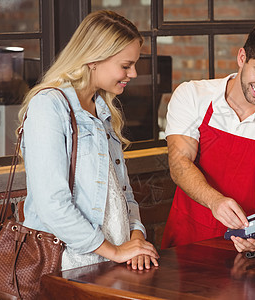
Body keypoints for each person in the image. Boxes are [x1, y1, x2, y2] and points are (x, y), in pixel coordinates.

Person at [18, 10, 159, 271]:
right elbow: (52, 204)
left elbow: (122, 192)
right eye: (126, 65)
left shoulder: (103, 109)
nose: (134, 73)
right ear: (94, 59)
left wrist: (136, 236)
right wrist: (114, 250)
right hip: (68, 265)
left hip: (112, 262)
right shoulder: (49, 106)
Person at [161, 20, 255, 253]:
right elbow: (178, 165)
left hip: (239, 251)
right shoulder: (193, 96)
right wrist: (215, 201)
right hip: (183, 244)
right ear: (242, 57)